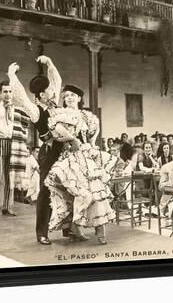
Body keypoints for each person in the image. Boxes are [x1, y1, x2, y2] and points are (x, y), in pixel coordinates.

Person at [45, 85, 119, 245]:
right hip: (71, 157)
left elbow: (92, 138)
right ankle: (76, 228)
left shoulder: (87, 116)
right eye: (66, 96)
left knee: (97, 192)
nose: (69, 98)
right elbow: (57, 132)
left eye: (73, 95)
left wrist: (92, 148)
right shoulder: (61, 115)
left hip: (87, 157)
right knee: (80, 194)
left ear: (79, 98)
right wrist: (72, 139)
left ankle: (100, 230)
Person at [5, 56, 66, 245]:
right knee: (46, 192)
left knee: (69, 188)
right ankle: (42, 232)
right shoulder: (36, 111)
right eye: (47, 91)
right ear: (40, 95)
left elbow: (57, 81)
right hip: (48, 154)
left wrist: (49, 63)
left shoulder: (54, 103)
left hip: (65, 151)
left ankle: (69, 229)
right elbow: (21, 96)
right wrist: (11, 75)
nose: (52, 92)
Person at [0, 80, 30, 216]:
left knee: (10, 177)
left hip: (14, 144)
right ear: (0, 93)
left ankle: (7, 207)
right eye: (5, 91)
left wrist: (23, 146)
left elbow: (24, 129)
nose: (8, 94)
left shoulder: (18, 111)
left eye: (10, 91)